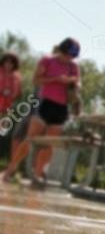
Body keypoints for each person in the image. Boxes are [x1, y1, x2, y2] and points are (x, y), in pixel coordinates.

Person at [2, 37, 81, 188]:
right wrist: (57, 79)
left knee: (49, 143)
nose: (70, 58)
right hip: (45, 104)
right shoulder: (47, 60)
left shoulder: (74, 67)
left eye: (73, 56)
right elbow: (36, 80)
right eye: (68, 55)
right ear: (62, 51)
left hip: (61, 108)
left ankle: (37, 175)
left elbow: (78, 81)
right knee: (30, 139)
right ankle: (11, 169)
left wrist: (74, 84)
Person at [0, 52, 23, 161]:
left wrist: (11, 93)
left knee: (3, 129)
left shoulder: (17, 76)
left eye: (11, 63)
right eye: (6, 62)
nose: (8, 64)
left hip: (7, 106)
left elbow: (18, 93)